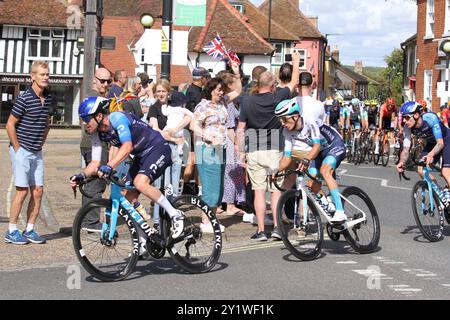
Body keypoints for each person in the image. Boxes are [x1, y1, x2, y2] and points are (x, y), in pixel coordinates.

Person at [70, 97, 185, 245]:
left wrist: (110, 165)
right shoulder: (96, 133)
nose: (84, 123)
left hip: (158, 148)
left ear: (98, 116)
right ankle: (144, 239)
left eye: (86, 119)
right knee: (129, 198)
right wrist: (82, 175)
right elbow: (95, 162)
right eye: (82, 119)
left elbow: (127, 146)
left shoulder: (117, 118)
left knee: (140, 183)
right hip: (141, 156)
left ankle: (175, 215)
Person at [237, 51, 300, 241]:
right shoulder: (278, 96)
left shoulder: (247, 101)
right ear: (273, 86)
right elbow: (293, 82)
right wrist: (296, 62)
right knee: (275, 191)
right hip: (274, 147)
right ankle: (277, 229)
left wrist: (241, 152)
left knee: (258, 192)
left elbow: (240, 129)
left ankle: (261, 231)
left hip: (254, 147)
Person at [275, 98, 347, 223]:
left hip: (334, 145)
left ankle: (340, 212)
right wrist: (276, 171)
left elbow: (317, 145)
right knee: (311, 184)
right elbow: (287, 157)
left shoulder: (309, 121)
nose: (282, 123)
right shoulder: (287, 131)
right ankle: (328, 205)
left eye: (284, 119)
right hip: (319, 152)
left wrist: (306, 159)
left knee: (325, 171)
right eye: (280, 120)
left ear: (295, 116)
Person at [5, 61, 52, 244]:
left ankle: (30, 229)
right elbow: (10, 124)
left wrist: (41, 142)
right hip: (21, 150)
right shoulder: (24, 98)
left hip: (37, 151)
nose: (46, 77)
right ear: (32, 76)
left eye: (47, 74)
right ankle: (11, 230)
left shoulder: (48, 97)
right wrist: (17, 149)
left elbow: (46, 122)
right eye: (42, 74)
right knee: (22, 191)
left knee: (38, 191)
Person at [191, 62, 242, 233]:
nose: (221, 93)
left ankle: (210, 220)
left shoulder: (222, 103)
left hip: (220, 149)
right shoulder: (203, 106)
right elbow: (193, 125)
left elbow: (238, 91)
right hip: (206, 149)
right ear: (210, 90)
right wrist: (208, 136)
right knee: (210, 187)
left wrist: (236, 73)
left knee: (218, 187)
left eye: (222, 90)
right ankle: (205, 222)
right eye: (218, 90)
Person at [396, 101, 450, 204]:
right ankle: (441, 193)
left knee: (445, 172)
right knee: (421, 169)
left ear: (416, 115)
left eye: (407, 117)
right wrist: (401, 162)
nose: (404, 120)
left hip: (446, 140)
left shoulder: (430, 118)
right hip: (432, 143)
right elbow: (406, 148)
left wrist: (430, 154)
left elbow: (440, 143)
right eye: (403, 117)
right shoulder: (408, 128)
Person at [79, 68, 111, 231]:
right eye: (102, 81)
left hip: (95, 144)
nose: (105, 84)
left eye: (108, 81)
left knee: (91, 181)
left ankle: (86, 219)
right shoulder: (94, 98)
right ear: (94, 80)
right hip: (94, 145)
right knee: (96, 182)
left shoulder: (102, 97)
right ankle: (90, 221)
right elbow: (89, 127)